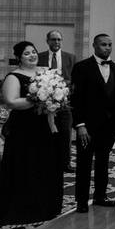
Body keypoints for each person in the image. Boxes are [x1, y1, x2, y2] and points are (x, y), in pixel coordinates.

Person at [0, 41, 63, 224]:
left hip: (43, 124)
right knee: (25, 164)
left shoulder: (45, 72)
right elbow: (11, 102)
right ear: (18, 58)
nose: (32, 55)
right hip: (23, 127)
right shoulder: (14, 76)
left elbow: (57, 93)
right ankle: (23, 208)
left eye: (33, 51)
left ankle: (46, 205)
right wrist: (38, 99)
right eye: (26, 53)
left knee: (44, 163)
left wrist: (54, 97)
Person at [70, 34, 115, 213]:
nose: (107, 48)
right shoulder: (81, 67)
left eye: (110, 45)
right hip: (88, 125)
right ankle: (82, 200)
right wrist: (80, 125)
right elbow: (76, 99)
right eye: (103, 44)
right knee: (84, 162)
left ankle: (100, 196)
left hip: (109, 126)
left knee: (103, 161)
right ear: (94, 45)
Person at [37, 30, 75, 173]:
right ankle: (45, 160)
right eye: (53, 39)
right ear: (47, 41)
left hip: (65, 103)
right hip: (44, 103)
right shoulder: (39, 57)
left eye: (59, 39)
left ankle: (65, 162)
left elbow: (74, 80)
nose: (56, 42)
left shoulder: (70, 58)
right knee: (45, 132)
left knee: (65, 133)